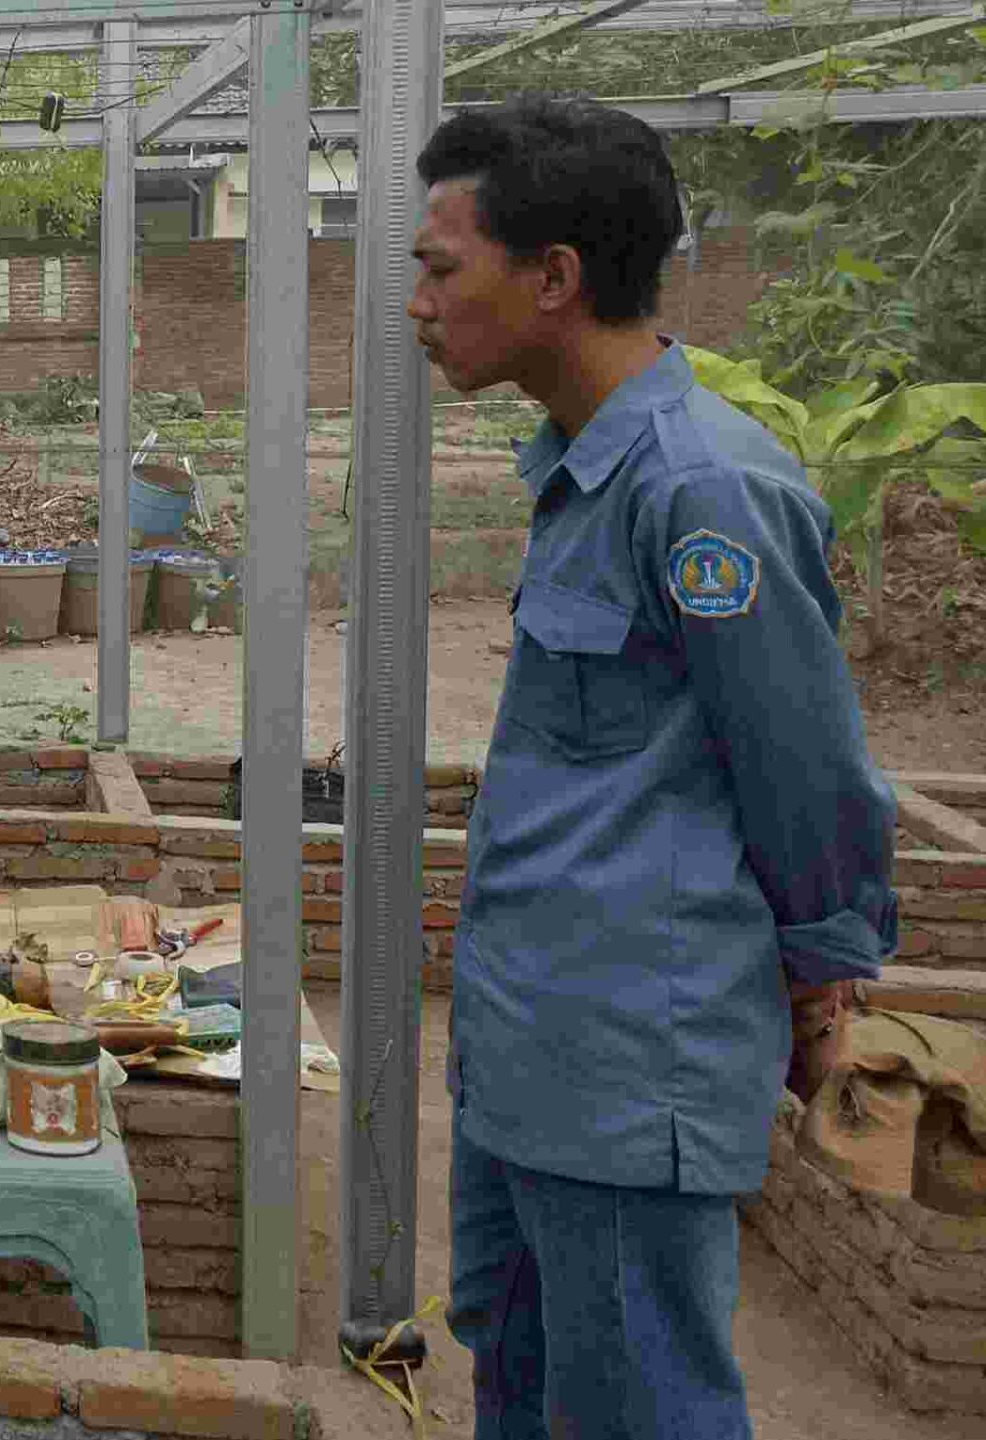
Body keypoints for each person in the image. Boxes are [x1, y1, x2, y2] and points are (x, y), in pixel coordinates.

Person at [409, 99, 900, 1440]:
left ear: (553, 278)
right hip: (529, 1051)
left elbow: (807, 772)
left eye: (441, 268)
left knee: (637, 1407)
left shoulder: (704, 492)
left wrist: (823, 981)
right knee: (515, 1372)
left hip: (632, 1071)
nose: (418, 303)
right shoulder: (586, 473)